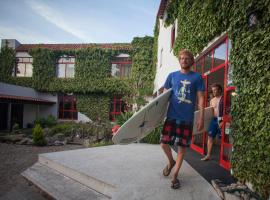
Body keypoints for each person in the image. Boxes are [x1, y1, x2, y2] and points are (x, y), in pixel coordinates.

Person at [160, 49, 205, 189]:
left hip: (187, 119)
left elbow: (201, 98)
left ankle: (174, 176)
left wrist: (201, 117)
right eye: (182, 58)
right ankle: (171, 161)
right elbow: (163, 96)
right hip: (171, 116)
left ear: (191, 61)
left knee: (181, 149)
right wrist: (158, 114)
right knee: (163, 143)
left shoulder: (197, 77)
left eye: (187, 58)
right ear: (179, 60)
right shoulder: (172, 76)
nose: (184, 60)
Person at [201, 83, 223, 161]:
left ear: (220, 90)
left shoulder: (224, 98)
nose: (213, 92)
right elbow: (211, 111)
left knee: (223, 139)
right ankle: (208, 155)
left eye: (215, 90)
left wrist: (223, 122)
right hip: (214, 120)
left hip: (222, 120)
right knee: (210, 137)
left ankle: (224, 158)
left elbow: (228, 110)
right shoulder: (212, 100)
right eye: (213, 90)